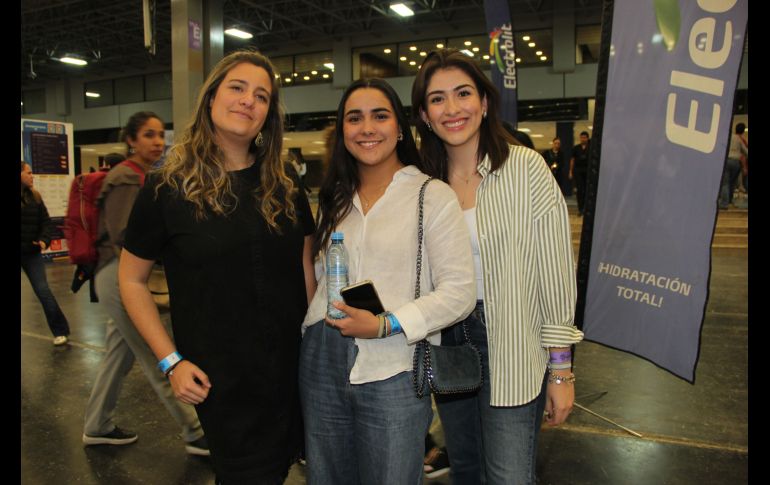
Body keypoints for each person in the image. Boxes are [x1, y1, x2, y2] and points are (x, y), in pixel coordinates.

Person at [119, 50, 316, 485]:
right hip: (222, 380)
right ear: (210, 97)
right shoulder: (168, 185)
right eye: (238, 88)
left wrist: (315, 346)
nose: (249, 100)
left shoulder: (284, 182)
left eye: (262, 95)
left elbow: (305, 268)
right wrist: (171, 361)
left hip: (290, 369)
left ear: (269, 113)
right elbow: (130, 280)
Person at [412, 48, 584, 485]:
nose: (452, 109)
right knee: (466, 471)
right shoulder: (423, 185)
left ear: (484, 103)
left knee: (507, 475)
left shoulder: (525, 169)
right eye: (437, 99)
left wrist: (561, 370)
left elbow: (556, 278)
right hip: (449, 338)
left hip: (512, 340)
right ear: (424, 115)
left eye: (463, 93)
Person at [299, 78, 475, 484]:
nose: (367, 128)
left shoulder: (431, 195)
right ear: (342, 132)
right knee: (326, 475)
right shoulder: (335, 199)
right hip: (322, 357)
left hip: (395, 361)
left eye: (380, 116)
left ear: (400, 128)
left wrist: (386, 323)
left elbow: (459, 292)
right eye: (354, 118)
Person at [81, 111, 209, 457]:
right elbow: (127, 236)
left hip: (121, 274)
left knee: (118, 355)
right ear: (131, 141)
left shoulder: (145, 175)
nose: (157, 142)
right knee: (157, 353)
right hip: (120, 276)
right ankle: (194, 431)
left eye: (160, 135)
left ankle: (96, 425)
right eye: (148, 135)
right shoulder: (125, 178)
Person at [20, 161, 71, 346]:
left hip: (31, 253)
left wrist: (44, 240)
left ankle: (61, 330)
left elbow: (46, 222)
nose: (32, 176)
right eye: (28, 172)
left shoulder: (35, 196)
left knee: (43, 290)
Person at [720, 122, 747, 208]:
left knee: (725, 183)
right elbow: (745, 151)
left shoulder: (724, 138)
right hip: (736, 163)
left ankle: (724, 204)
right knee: (732, 183)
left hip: (726, 161)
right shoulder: (738, 139)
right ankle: (730, 201)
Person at [570, 130, 591, 215]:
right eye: (581, 137)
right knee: (579, 191)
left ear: (587, 138)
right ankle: (580, 209)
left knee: (587, 191)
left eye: (584, 137)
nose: (583, 139)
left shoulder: (591, 147)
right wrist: (570, 171)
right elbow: (572, 160)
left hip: (588, 171)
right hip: (578, 171)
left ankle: (586, 209)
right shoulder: (576, 148)